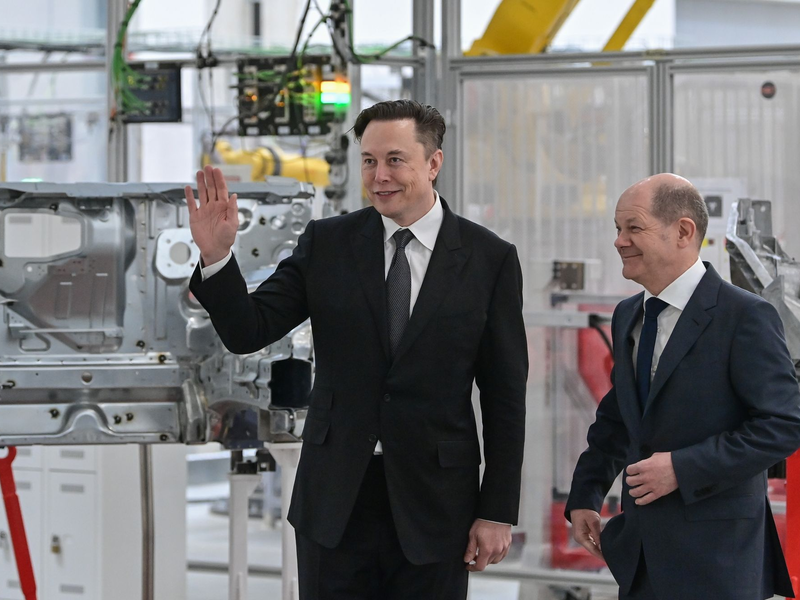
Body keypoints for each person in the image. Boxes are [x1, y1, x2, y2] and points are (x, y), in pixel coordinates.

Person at [185, 100, 528, 599]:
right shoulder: (327, 243)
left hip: (435, 503)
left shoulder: (489, 259)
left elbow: (504, 395)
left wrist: (496, 509)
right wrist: (217, 257)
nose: (379, 176)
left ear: (433, 163)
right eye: (368, 161)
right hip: (336, 500)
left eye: (395, 160)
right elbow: (248, 330)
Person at [566, 173, 800, 599]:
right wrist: (586, 493)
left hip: (716, 562)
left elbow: (783, 425)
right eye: (617, 229)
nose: (619, 241)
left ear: (683, 232)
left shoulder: (744, 317)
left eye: (633, 228)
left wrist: (682, 468)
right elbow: (620, 416)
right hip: (640, 559)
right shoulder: (627, 315)